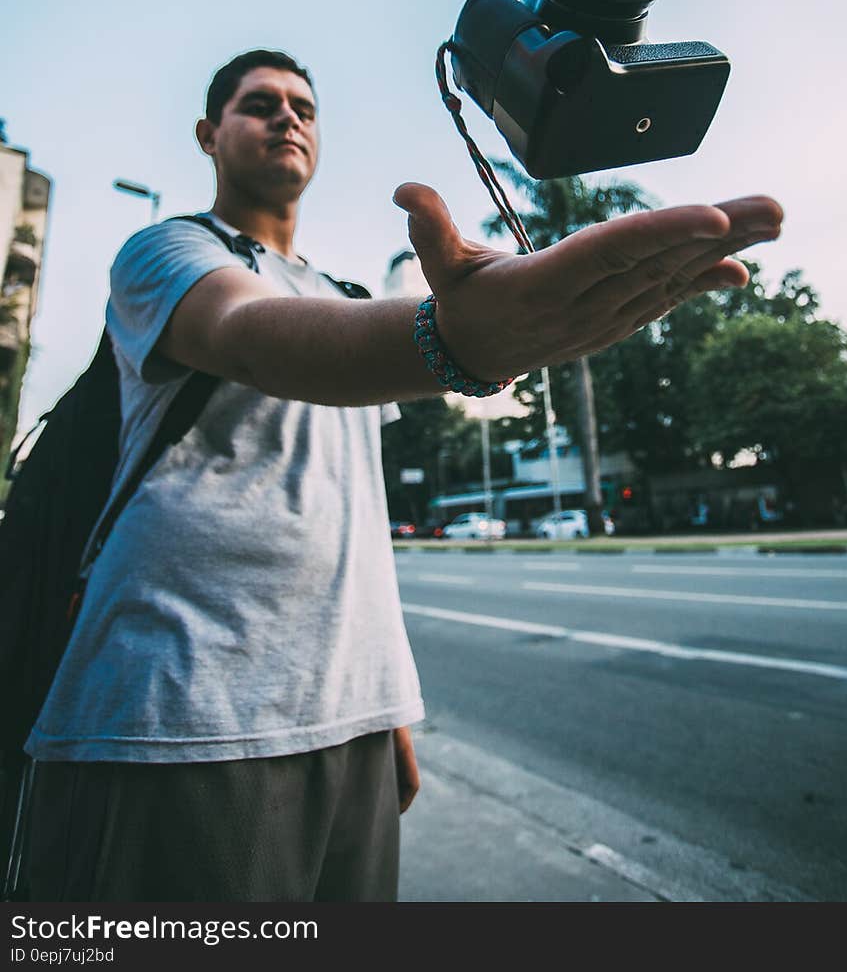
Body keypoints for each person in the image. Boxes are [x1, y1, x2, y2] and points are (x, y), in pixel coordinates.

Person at [22, 49, 783, 901]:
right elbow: (254, 333)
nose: (288, 118)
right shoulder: (166, 251)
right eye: (259, 105)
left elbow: (350, 510)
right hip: (186, 710)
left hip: (348, 722)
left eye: (304, 107)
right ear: (209, 134)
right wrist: (456, 343)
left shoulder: (343, 295)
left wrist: (385, 698)